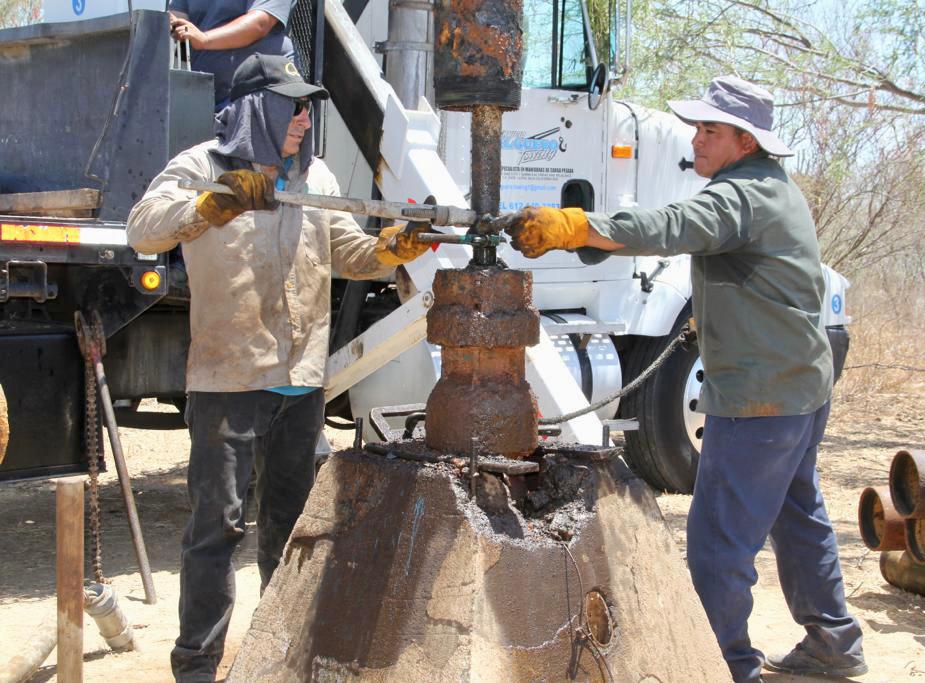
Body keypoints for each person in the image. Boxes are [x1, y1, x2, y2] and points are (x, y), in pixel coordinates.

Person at [498, 76, 867, 682]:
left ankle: (721, 665)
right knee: (798, 516)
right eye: (696, 128)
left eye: (711, 131)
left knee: (718, 543)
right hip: (797, 385)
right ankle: (834, 641)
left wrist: (575, 226)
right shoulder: (773, 189)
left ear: (745, 142)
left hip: (760, 398)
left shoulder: (741, 196)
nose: (696, 140)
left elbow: (668, 224)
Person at [127, 53, 431, 683]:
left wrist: (389, 249)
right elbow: (142, 230)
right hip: (229, 382)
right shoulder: (200, 166)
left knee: (291, 530)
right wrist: (212, 204)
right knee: (217, 529)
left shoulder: (312, 173)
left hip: (301, 384)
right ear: (252, 111)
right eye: (290, 106)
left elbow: (343, 247)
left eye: (305, 108)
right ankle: (197, 667)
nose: (302, 118)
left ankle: (279, 656)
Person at [169, 0, 298, 110]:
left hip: (256, 99)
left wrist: (204, 39)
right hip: (198, 99)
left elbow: (261, 23)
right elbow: (178, 21)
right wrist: (173, 25)